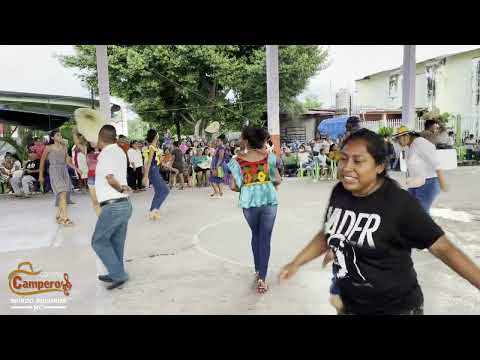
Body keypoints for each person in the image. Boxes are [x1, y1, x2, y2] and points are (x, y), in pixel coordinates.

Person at [279, 128, 480, 315]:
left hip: (395, 308)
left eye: (358, 161)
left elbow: (444, 249)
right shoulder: (340, 192)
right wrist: (296, 262)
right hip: (350, 305)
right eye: (343, 159)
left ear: (379, 166)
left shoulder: (399, 203)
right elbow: (329, 231)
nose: (346, 168)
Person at [227, 126, 282, 294]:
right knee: (265, 238)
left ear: (245, 140)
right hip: (269, 201)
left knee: (256, 235)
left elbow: (234, 186)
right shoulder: (269, 158)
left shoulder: (236, 161)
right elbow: (278, 179)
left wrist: (249, 185)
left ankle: (258, 270)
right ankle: (262, 278)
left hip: (249, 204)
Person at [91, 125, 133, 290]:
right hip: (124, 205)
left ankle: (118, 274)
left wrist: (121, 188)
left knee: (98, 241)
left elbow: (109, 178)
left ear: (101, 138)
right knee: (116, 242)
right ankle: (116, 272)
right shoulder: (120, 151)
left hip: (113, 205)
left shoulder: (106, 152)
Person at [393, 126, 448, 212]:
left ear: (406, 136)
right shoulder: (409, 146)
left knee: (421, 213)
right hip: (416, 183)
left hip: (428, 183)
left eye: (398, 138)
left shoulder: (420, 143)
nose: (397, 142)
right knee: (409, 209)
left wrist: (443, 184)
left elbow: (436, 164)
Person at [39, 130, 79, 226]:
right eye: (57, 135)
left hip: (64, 171)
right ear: (52, 138)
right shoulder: (48, 148)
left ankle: (58, 216)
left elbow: (67, 161)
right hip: (54, 171)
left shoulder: (64, 147)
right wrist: (40, 175)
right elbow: (42, 161)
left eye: (60, 135)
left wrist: (76, 168)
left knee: (63, 194)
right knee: (63, 193)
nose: (60, 136)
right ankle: (65, 218)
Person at [143, 129, 170, 221]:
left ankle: (152, 211)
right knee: (165, 191)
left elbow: (159, 162)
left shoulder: (154, 147)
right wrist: (146, 176)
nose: (158, 136)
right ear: (155, 136)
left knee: (159, 191)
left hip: (155, 170)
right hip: (153, 170)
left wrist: (171, 167)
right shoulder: (151, 147)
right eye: (157, 134)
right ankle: (154, 210)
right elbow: (149, 162)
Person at [209, 134, 227, 198]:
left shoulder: (221, 148)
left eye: (218, 141)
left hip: (219, 165)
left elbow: (220, 158)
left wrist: (216, 167)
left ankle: (217, 192)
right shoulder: (218, 147)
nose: (217, 142)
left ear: (222, 141)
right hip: (217, 164)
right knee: (218, 179)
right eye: (217, 141)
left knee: (213, 179)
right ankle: (220, 192)